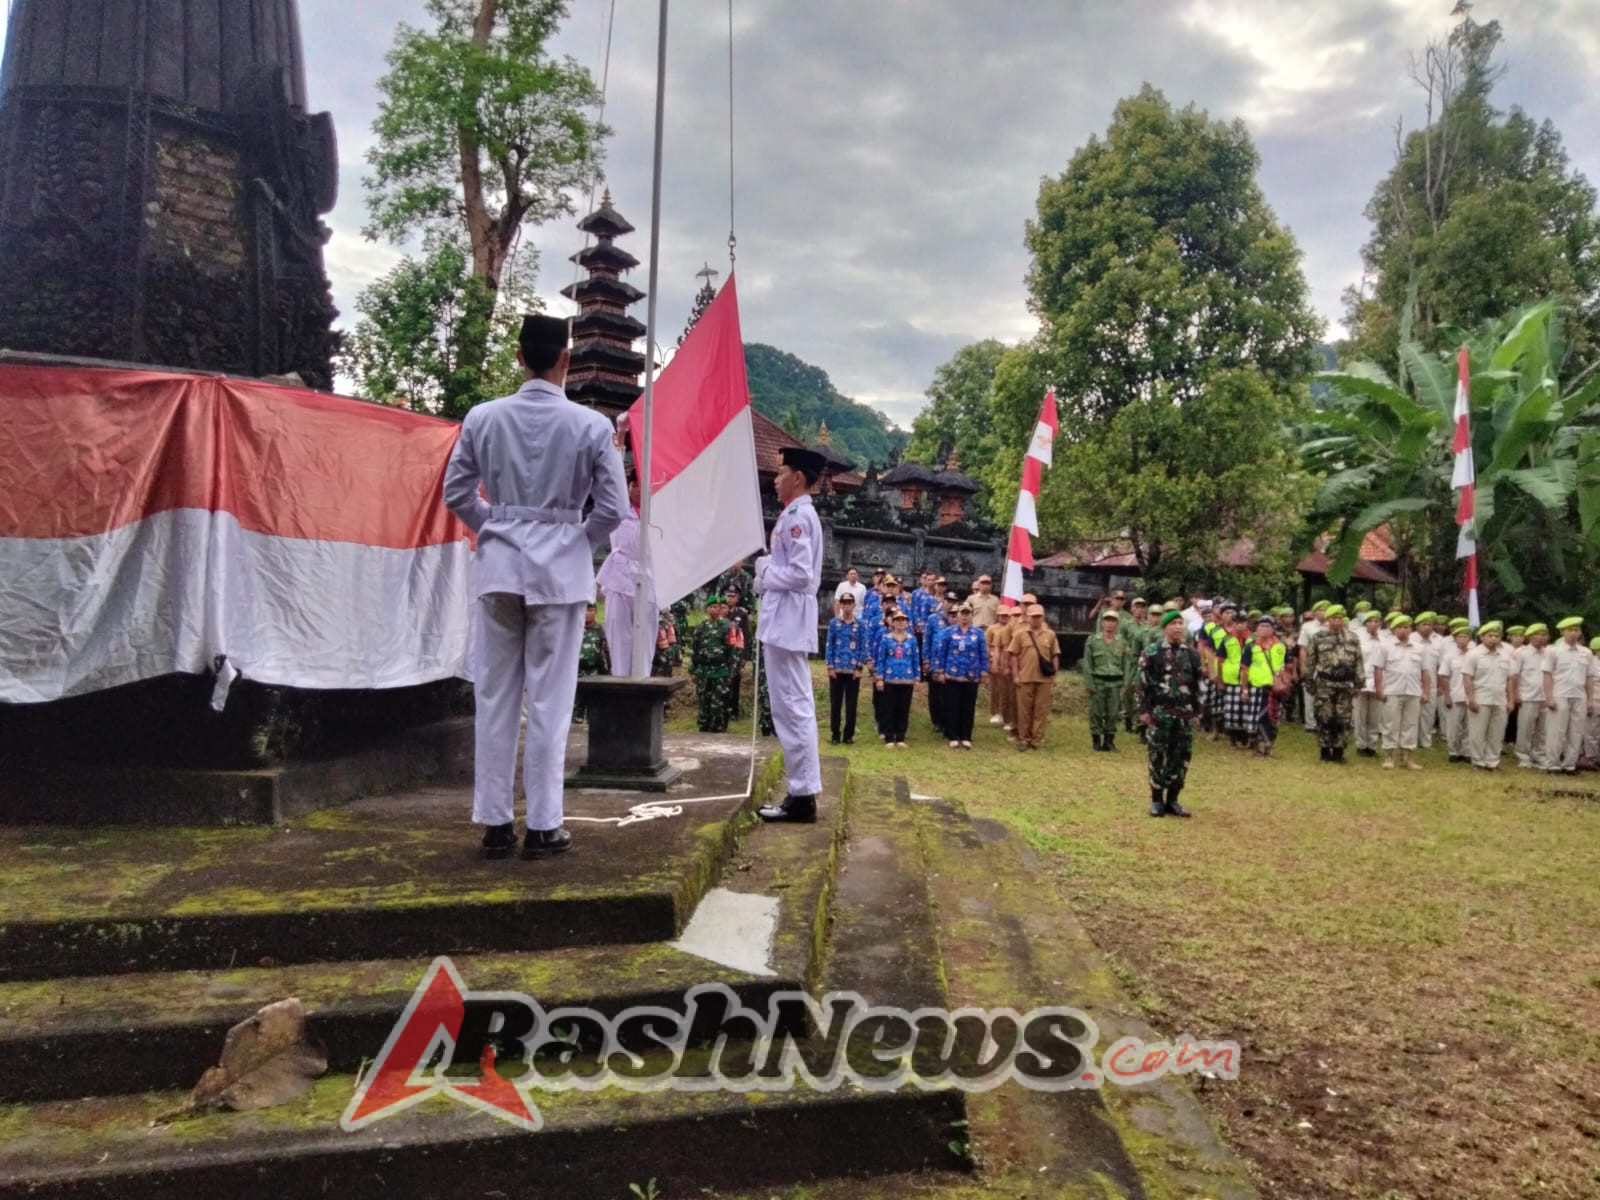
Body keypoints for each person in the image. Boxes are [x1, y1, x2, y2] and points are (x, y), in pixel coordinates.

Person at [442, 313, 628, 859]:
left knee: (495, 695)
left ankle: (495, 823)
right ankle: (545, 824)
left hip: (499, 567)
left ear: (519, 356)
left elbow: (457, 493)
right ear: (565, 360)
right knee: (550, 699)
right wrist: (572, 541)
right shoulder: (592, 426)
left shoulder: (483, 417)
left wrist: (496, 528)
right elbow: (613, 510)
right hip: (559, 573)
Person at [754, 447, 826, 823]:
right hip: (782, 619)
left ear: (798, 477)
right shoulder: (793, 515)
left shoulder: (798, 516)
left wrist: (765, 573)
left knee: (793, 708)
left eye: (782, 471)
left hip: (788, 620)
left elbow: (801, 575)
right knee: (789, 707)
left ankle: (802, 795)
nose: (776, 478)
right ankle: (802, 791)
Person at [1140, 610, 1202, 818]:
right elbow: (1142, 684)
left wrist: (1197, 711)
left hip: (1183, 714)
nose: (1178, 627)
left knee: (1181, 756)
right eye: (1173, 623)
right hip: (1160, 712)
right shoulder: (1153, 652)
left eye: (1180, 623)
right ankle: (1157, 800)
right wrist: (1144, 711)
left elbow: (1198, 685)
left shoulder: (1192, 654)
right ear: (1165, 628)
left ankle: (1173, 799)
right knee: (1158, 755)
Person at [595, 473, 657, 678]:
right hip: (619, 575)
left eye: (643, 485)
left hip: (649, 575)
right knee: (619, 634)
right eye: (634, 484)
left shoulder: (658, 510)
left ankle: (643, 680)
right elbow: (606, 485)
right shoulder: (619, 509)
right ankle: (620, 680)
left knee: (646, 635)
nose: (639, 489)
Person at [1306, 604, 1363, 763]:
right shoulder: (1318, 637)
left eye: (1340, 618)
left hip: (1344, 685)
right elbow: (1311, 662)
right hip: (1325, 684)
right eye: (1333, 618)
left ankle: (1338, 751)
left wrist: (1359, 683)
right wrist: (1309, 682)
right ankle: (1325, 751)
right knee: (1324, 717)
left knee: (1343, 719)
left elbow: (1358, 661)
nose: (1337, 621)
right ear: (1328, 620)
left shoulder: (1353, 638)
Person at [1375, 614, 1428, 770]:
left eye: (1406, 627)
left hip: (1413, 691)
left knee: (1411, 725)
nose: (1403, 630)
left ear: (1411, 629)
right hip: (1392, 690)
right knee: (1390, 724)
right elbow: (1378, 669)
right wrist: (1379, 689)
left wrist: (1425, 691)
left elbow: (1425, 671)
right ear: (1393, 629)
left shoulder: (1419, 648)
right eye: (1399, 627)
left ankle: (1408, 758)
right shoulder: (1385, 646)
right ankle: (1389, 756)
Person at [1542, 616, 1593, 774]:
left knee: (1576, 731)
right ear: (1562, 632)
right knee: (1556, 731)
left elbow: (1589, 678)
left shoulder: (1586, 652)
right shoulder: (1553, 651)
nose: (1573, 633)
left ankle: (1570, 764)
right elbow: (1547, 674)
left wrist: (1590, 700)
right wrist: (1549, 697)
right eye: (1570, 630)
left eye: (1576, 630)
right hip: (1560, 694)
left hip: (1579, 696)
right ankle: (1553, 764)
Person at [934, 602, 989, 748]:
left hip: (971, 675)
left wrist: (984, 672)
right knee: (952, 705)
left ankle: (965, 736)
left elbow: (983, 653)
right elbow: (941, 653)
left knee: (968, 706)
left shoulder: (978, 633)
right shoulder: (948, 632)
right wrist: (940, 671)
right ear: (957, 615)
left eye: (967, 613)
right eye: (962, 613)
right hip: (952, 674)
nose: (964, 617)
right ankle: (952, 735)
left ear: (971, 615)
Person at [1007, 603, 1060, 751]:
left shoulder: (1050, 634)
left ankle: (1037, 740)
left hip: (1044, 679)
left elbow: (1054, 655)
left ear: (1043, 617)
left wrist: (1054, 676)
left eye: (1039, 617)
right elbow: (1013, 656)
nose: (1036, 620)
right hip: (1025, 678)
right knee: (1024, 711)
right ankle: (1024, 739)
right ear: (1028, 618)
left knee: (1040, 710)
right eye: (1033, 617)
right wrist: (1016, 675)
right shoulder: (1020, 634)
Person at [1462, 621, 1513, 771]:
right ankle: (1477, 761)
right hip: (1481, 699)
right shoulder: (1474, 655)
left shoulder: (1505, 656)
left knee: (1497, 733)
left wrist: (1510, 700)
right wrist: (1471, 699)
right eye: (1490, 635)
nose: (1494, 639)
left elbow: (1510, 679)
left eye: (1497, 636)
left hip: (1500, 700)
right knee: (1477, 733)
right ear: (1482, 637)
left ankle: (1492, 762)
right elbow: (1467, 678)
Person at [1083, 609, 1132, 752]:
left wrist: (1125, 683)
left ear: (1117, 624)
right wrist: (1089, 683)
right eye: (1107, 620)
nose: (1110, 623)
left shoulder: (1122, 642)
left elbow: (1127, 664)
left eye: (1113, 621)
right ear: (1102, 622)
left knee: (1113, 713)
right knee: (1096, 712)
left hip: (1115, 682)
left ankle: (1109, 741)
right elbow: (1087, 663)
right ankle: (1096, 741)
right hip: (1098, 681)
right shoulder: (1093, 641)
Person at [690, 596, 739, 733]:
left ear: (720, 608)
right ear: (707, 609)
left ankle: (719, 727)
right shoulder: (701, 627)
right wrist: (693, 670)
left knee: (719, 702)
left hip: (720, 670)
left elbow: (733, 650)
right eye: (710, 607)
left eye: (716, 607)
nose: (713, 609)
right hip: (704, 670)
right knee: (704, 701)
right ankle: (703, 727)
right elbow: (695, 649)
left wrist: (731, 672)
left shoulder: (728, 627)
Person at [1242, 615, 1288, 757]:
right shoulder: (1251, 646)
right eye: (1261, 626)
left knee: (1272, 719)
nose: (1263, 629)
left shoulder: (1280, 646)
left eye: (1267, 626)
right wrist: (1244, 689)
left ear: (1273, 629)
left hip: (1274, 689)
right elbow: (1244, 668)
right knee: (1256, 719)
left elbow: (1285, 666)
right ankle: (1256, 748)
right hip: (1256, 687)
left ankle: (1269, 747)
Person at [825, 592, 867, 745]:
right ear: (841, 605)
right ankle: (835, 734)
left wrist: (859, 668)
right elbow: (829, 645)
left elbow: (863, 646)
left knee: (851, 704)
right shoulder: (834, 623)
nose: (847, 606)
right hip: (837, 669)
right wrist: (830, 667)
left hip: (852, 669)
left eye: (850, 603)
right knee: (835, 704)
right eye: (844, 603)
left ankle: (848, 735)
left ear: (854, 605)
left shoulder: (860, 624)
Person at [874, 610, 920, 748]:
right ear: (892, 622)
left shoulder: (912, 639)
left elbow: (915, 659)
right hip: (890, 678)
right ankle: (889, 737)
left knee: (903, 709)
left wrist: (917, 677)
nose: (900, 622)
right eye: (897, 620)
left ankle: (900, 737)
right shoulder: (886, 639)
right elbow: (881, 659)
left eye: (903, 620)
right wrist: (880, 678)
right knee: (889, 708)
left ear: (906, 623)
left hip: (906, 678)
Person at [1511, 623, 1550, 768]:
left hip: (1545, 697)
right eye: (1539, 634)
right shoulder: (1522, 653)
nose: (1542, 637)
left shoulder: (1549, 653)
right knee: (1525, 728)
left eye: (1544, 634)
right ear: (1531, 636)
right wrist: (1515, 694)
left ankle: (1539, 754)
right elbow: (1514, 675)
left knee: (1543, 729)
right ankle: (1523, 755)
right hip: (1527, 696)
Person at [1439, 620, 1473, 762]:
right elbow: (1444, 676)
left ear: (1470, 639)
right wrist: (1447, 696)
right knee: (1454, 726)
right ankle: (1454, 751)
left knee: (1469, 726)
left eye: (1466, 636)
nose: (1463, 639)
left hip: (1471, 696)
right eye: (1460, 636)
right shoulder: (1449, 656)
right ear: (1455, 639)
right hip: (1455, 694)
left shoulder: (1474, 655)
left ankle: (1466, 752)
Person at [1353, 611, 1385, 758]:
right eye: (1370, 621)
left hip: (1378, 681)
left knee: (1375, 715)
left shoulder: (1384, 639)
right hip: (1361, 680)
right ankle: (1361, 744)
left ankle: (1372, 745)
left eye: (1376, 621)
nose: (1373, 624)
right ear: (1365, 623)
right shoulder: (1357, 637)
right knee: (1360, 714)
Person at [573, 602, 609, 724]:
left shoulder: (601, 631)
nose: (587, 614)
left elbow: (606, 654)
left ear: (596, 613)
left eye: (590, 610)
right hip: (575, 676)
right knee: (575, 712)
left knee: (595, 712)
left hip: (594, 675)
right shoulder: (574, 629)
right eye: (585, 611)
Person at [1120, 597, 1150, 737]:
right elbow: (1121, 641)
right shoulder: (1126, 624)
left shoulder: (1147, 626)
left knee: (1141, 689)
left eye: (1142, 607)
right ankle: (1127, 720)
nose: (1139, 610)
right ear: (1132, 608)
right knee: (1128, 690)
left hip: (1144, 662)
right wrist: (1129, 651)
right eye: (1137, 607)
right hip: (1129, 662)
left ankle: (1140, 722)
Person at [1298, 600, 1328, 732]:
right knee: (1310, 694)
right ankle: (1310, 724)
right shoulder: (1307, 626)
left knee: (1325, 694)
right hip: (1312, 663)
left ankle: (1324, 721)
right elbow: (1303, 648)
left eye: (1325, 609)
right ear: (1315, 612)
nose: (1323, 612)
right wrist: (1303, 666)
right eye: (1320, 610)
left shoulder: (1331, 626)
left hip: (1327, 664)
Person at [1413, 612, 1442, 749]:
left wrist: (1441, 685)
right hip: (1412, 683)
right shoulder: (1411, 639)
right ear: (1417, 626)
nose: (1427, 627)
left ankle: (1425, 741)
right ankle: (1411, 741)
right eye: (1424, 624)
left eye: (1430, 624)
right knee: (1411, 715)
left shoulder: (1438, 642)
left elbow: (1441, 666)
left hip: (1432, 684)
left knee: (1428, 715)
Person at [985, 605, 1015, 730]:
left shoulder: (1012, 628)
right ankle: (995, 712)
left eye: (1007, 616)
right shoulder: (992, 628)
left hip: (1006, 660)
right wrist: (990, 658)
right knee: (995, 690)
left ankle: (1005, 714)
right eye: (1002, 615)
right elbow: (986, 645)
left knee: (1006, 692)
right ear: (997, 616)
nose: (1004, 618)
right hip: (994, 659)